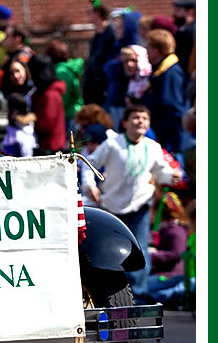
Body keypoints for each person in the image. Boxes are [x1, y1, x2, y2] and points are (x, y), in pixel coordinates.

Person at [81, 105, 181, 300]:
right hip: (112, 208)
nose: (140, 122)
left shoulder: (153, 147)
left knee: (140, 249)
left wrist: (171, 176)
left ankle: (140, 295)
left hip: (140, 206)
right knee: (110, 250)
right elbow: (88, 164)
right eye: (136, 117)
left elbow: (161, 171)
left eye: (145, 118)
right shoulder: (112, 145)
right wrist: (89, 185)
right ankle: (116, 294)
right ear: (125, 122)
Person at [141, 29, 186, 153]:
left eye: (148, 48)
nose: (147, 52)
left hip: (169, 140)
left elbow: (173, 107)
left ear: (157, 49)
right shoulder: (159, 72)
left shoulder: (170, 73)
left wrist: (173, 144)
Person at [28, 53, 67, 154]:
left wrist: (30, 120)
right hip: (47, 145)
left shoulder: (50, 95)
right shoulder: (44, 93)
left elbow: (45, 125)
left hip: (51, 148)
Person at [45, 39, 84, 131]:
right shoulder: (66, 68)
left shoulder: (61, 72)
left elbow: (63, 97)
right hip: (72, 113)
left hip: (69, 114)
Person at [82, 2, 117, 105]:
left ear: (97, 13)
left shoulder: (110, 35)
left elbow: (108, 61)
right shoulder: (96, 36)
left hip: (103, 89)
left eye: (89, 12)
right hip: (93, 89)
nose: (87, 15)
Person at [171, 0, 195, 76]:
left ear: (190, 12)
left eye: (178, 11)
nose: (174, 14)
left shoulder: (194, 32)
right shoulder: (181, 29)